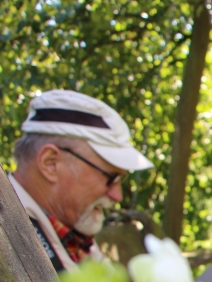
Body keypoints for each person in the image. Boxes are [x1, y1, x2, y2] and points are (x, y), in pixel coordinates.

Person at [8, 89, 153, 271]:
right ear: (51, 163)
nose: (117, 196)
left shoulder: (73, 235)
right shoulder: (9, 234)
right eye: (110, 178)